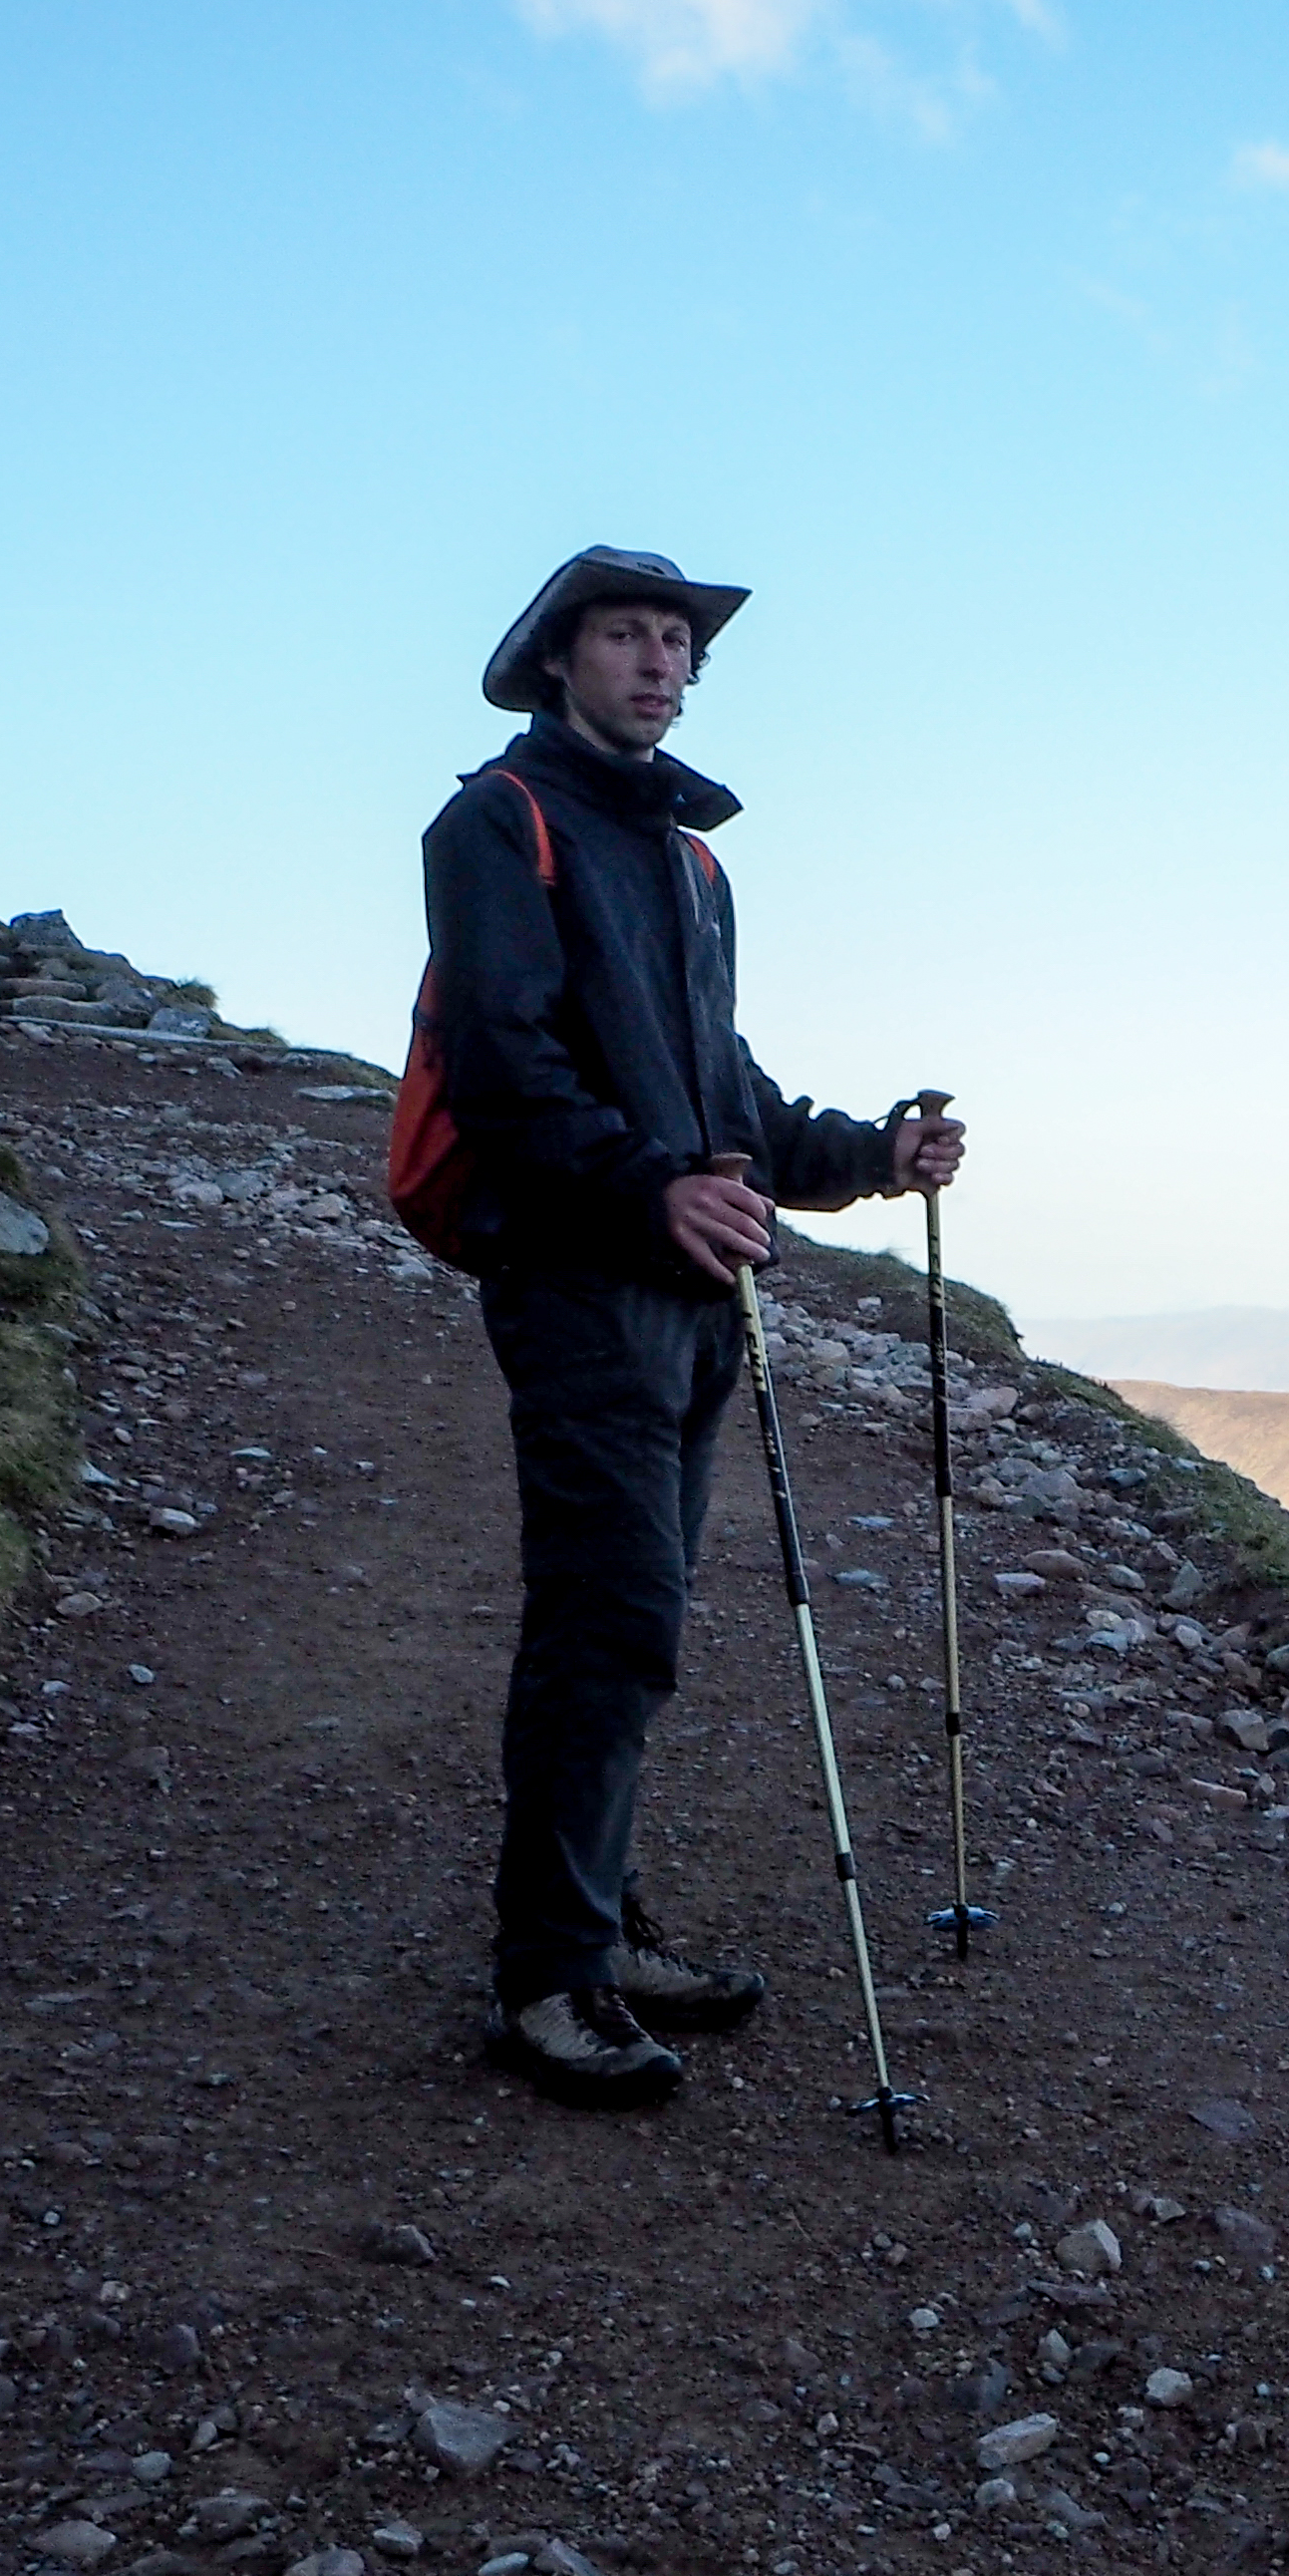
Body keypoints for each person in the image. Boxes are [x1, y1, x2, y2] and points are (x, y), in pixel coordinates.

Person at [423, 546, 967, 2108]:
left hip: (686, 1289)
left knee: (635, 1627)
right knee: (608, 1622)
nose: (660, 661)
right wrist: (650, 1191)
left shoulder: (689, 862)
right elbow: (501, 1064)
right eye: (627, 637)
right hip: (586, 1281)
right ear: (555, 660)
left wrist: (868, 1154)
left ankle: (599, 1927)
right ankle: (547, 1981)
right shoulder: (497, 823)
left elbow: (716, 1086)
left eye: (677, 641)